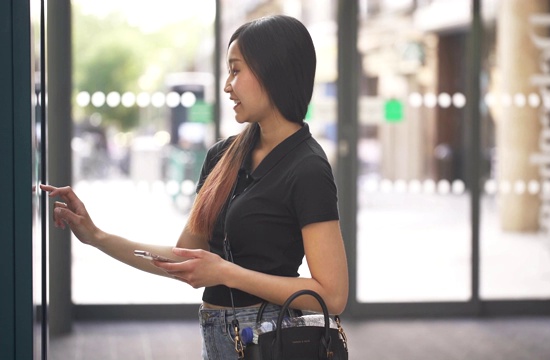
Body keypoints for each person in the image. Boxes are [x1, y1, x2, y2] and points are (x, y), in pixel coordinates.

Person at [41, 14, 348, 360]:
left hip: (272, 341)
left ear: (273, 71)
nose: (227, 85)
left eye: (236, 70)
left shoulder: (308, 167)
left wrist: (226, 273)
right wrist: (95, 235)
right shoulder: (223, 156)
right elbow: (185, 259)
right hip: (218, 338)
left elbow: (332, 295)